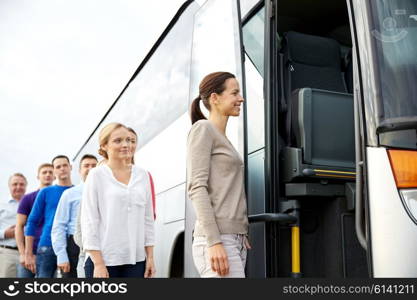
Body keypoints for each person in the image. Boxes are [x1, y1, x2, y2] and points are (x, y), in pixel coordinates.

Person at [187, 71, 251, 278]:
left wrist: (240, 230)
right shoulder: (203, 128)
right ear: (215, 98)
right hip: (217, 240)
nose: (241, 98)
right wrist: (214, 241)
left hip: (234, 239)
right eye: (234, 93)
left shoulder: (223, 138)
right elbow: (196, 187)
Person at [81, 122, 155, 278]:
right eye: (118, 140)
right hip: (103, 261)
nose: (126, 144)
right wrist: (99, 264)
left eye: (128, 140)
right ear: (104, 146)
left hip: (136, 261)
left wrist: (150, 258)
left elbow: (148, 220)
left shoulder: (142, 175)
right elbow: (89, 222)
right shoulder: (96, 175)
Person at [25, 155, 73, 278]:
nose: (62, 169)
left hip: (72, 246)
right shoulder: (45, 192)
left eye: (65, 165)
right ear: (54, 171)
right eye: (58, 167)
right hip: (47, 246)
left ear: (70, 167)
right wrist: (28, 253)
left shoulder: (78, 191)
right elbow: (32, 221)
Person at [51, 154, 97, 278]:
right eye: (86, 166)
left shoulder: (106, 192)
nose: (91, 168)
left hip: (100, 242)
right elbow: (59, 226)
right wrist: (61, 255)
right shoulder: (69, 194)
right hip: (74, 246)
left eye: (94, 165)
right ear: (79, 171)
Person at [15, 164, 54, 278]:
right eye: (44, 172)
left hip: (50, 252)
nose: (47, 175)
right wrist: (24, 254)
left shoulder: (59, 196)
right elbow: (19, 226)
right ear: (38, 176)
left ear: (54, 176)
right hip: (30, 252)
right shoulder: (28, 198)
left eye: (50, 172)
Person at [0, 173, 27, 277]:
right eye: (15, 184)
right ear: (9, 186)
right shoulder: (2, 205)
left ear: (26, 186)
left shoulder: (32, 205)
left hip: (28, 254)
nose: (18, 187)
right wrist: (6, 233)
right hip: (7, 253)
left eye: (21, 184)